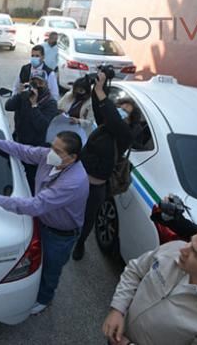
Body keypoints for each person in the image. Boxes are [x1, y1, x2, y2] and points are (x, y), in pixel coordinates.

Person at [0, 131, 89, 315]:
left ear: (72, 157)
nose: (50, 152)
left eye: (57, 150)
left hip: (59, 234)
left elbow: (36, 205)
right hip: (43, 221)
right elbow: (24, 150)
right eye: (52, 146)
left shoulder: (73, 182)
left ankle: (44, 299)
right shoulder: (51, 158)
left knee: (51, 269)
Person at [102, 224, 197, 345]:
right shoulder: (176, 250)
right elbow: (135, 270)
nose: (183, 249)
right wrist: (118, 309)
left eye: (196, 254)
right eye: (191, 241)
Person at [72, 72, 132, 261]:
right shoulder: (105, 127)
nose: (120, 113)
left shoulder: (124, 135)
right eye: (119, 109)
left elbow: (113, 118)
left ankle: (80, 243)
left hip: (96, 186)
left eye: (126, 112)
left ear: (130, 120)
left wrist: (100, 90)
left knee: (88, 218)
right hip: (78, 178)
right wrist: (97, 87)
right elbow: (101, 109)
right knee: (70, 210)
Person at [6, 71, 59, 192]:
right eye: (34, 81)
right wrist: (19, 94)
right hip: (19, 140)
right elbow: (8, 106)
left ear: (45, 84)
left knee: (31, 179)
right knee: (13, 172)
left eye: (40, 82)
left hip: (34, 146)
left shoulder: (50, 103)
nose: (37, 85)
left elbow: (43, 126)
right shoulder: (25, 96)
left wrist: (34, 105)